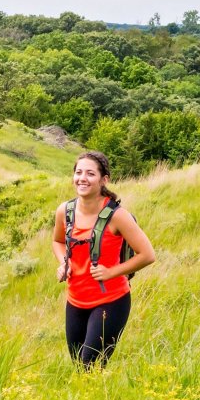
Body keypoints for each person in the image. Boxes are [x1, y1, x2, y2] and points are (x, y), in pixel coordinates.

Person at [52, 150, 155, 368]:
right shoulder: (65, 211)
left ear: (103, 179)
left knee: (90, 363)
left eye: (90, 173)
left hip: (111, 301)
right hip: (75, 300)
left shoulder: (118, 216)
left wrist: (112, 272)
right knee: (80, 366)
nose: (82, 178)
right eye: (78, 172)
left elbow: (147, 255)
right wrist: (64, 262)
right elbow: (58, 242)